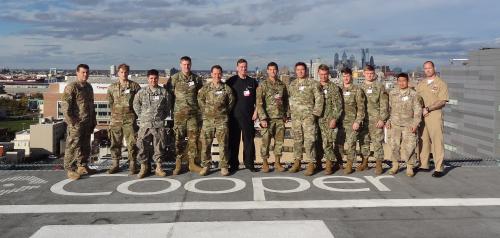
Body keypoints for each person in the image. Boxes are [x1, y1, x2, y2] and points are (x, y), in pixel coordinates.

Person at [166, 56, 204, 175]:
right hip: (179, 115)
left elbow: (200, 96)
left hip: (193, 115)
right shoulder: (174, 78)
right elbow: (169, 96)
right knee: (178, 139)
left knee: (193, 139)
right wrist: (172, 111)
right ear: (180, 65)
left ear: (191, 65)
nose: (186, 67)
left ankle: (192, 163)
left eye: (188, 64)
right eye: (184, 64)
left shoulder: (197, 79)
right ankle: (178, 164)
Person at [133, 69, 172, 178]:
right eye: (151, 78)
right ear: (148, 79)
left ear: (158, 79)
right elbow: (136, 105)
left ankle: (158, 168)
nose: (153, 80)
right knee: (142, 146)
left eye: (155, 78)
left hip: (158, 125)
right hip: (145, 125)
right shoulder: (141, 92)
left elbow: (168, 108)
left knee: (159, 146)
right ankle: (144, 167)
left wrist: (160, 117)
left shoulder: (164, 93)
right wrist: (143, 116)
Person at [287, 62, 324, 176]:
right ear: (295, 71)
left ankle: (311, 164)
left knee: (310, 141)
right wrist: (289, 113)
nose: (300, 71)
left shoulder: (313, 83)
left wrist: (315, 114)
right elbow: (289, 100)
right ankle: (297, 162)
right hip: (296, 118)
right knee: (297, 141)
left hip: (308, 118)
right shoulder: (292, 84)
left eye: (302, 69)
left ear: (306, 71)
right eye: (298, 70)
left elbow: (319, 98)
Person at [61, 64, 97, 180]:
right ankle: (70, 169)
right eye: (83, 72)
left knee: (85, 145)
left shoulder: (88, 87)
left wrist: (93, 120)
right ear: (77, 73)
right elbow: (65, 107)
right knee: (73, 146)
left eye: (87, 72)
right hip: (76, 123)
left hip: (87, 122)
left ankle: (82, 166)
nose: (85, 75)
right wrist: (72, 121)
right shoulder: (71, 87)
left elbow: (91, 105)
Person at [198, 65, 235, 176]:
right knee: (206, 145)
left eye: (219, 73)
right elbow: (200, 101)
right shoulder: (205, 88)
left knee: (223, 145)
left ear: (221, 74)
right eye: (215, 73)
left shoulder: (227, 89)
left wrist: (222, 113)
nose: (217, 75)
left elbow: (231, 103)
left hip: (221, 121)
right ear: (211, 74)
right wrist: (207, 112)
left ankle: (224, 166)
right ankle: (206, 166)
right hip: (208, 121)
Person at [107, 63, 141, 175]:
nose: (124, 74)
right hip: (116, 119)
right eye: (121, 72)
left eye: (126, 72)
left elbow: (138, 102)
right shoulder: (111, 88)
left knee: (132, 142)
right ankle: (115, 164)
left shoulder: (135, 86)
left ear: (128, 73)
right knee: (115, 142)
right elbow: (110, 103)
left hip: (130, 119)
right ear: (118, 73)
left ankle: (133, 164)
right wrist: (116, 113)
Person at [416, 61, 449, 177]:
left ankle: (439, 168)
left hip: (434, 115)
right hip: (422, 116)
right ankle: (423, 165)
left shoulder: (441, 83)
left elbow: (442, 101)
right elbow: (416, 98)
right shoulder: (421, 84)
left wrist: (428, 108)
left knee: (437, 142)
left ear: (434, 68)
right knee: (423, 140)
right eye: (425, 68)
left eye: (429, 68)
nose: (428, 70)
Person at [386, 73, 422, 176]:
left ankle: (410, 167)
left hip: (409, 125)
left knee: (410, 146)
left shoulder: (413, 94)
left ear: (408, 81)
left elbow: (418, 110)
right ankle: (395, 165)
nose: (401, 83)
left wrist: (415, 124)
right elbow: (388, 109)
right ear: (397, 82)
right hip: (395, 124)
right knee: (394, 145)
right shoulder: (392, 93)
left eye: (404, 81)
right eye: (399, 81)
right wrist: (387, 120)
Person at [226, 59, 259, 172]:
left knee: (249, 142)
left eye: (245, 67)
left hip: (248, 117)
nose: (243, 69)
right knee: (233, 142)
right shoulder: (231, 81)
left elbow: (258, 100)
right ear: (237, 68)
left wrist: (256, 112)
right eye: (241, 67)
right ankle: (233, 165)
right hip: (234, 117)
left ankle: (249, 164)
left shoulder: (253, 82)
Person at [256, 62, 288, 173]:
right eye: (270, 69)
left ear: (277, 71)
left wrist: (285, 115)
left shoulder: (282, 85)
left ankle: (277, 162)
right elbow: (259, 103)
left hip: (279, 118)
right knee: (265, 141)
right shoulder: (263, 85)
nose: (273, 71)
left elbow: (286, 101)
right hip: (267, 119)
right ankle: (265, 163)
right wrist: (262, 118)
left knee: (279, 142)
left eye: (274, 69)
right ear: (267, 71)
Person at [357, 65, 389, 175]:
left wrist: (382, 119)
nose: (369, 75)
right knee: (364, 142)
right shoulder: (359, 87)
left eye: (371, 73)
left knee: (377, 142)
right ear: (364, 74)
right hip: (363, 120)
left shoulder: (380, 87)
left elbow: (384, 104)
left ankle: (379, 164)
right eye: (367, 73)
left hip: (376, 120)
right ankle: (364, 162)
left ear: (374, 74)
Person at [338, 68, 366, 174]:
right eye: (344, 76)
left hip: (352, 123)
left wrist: (358, 121)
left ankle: (349, 164)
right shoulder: (338, 89)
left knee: (351, 144)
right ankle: (339, 163)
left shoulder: (357, 90)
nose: (346, 78)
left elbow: (361, 108)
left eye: (348, 76)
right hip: (339, 122)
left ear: (351, 76)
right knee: (338, 144)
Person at [316, 64, 343, 175]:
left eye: (325, 74)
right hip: (315, 119)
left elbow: (339, 106)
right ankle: (317, 163)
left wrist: (334, 119)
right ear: (318, 74)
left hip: (328, 119)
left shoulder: (333, 88)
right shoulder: (315, 86)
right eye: (321, 74)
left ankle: (328, 164)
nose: (323, 76)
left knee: (327, 143)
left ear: (329, 74)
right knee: (316, 142)